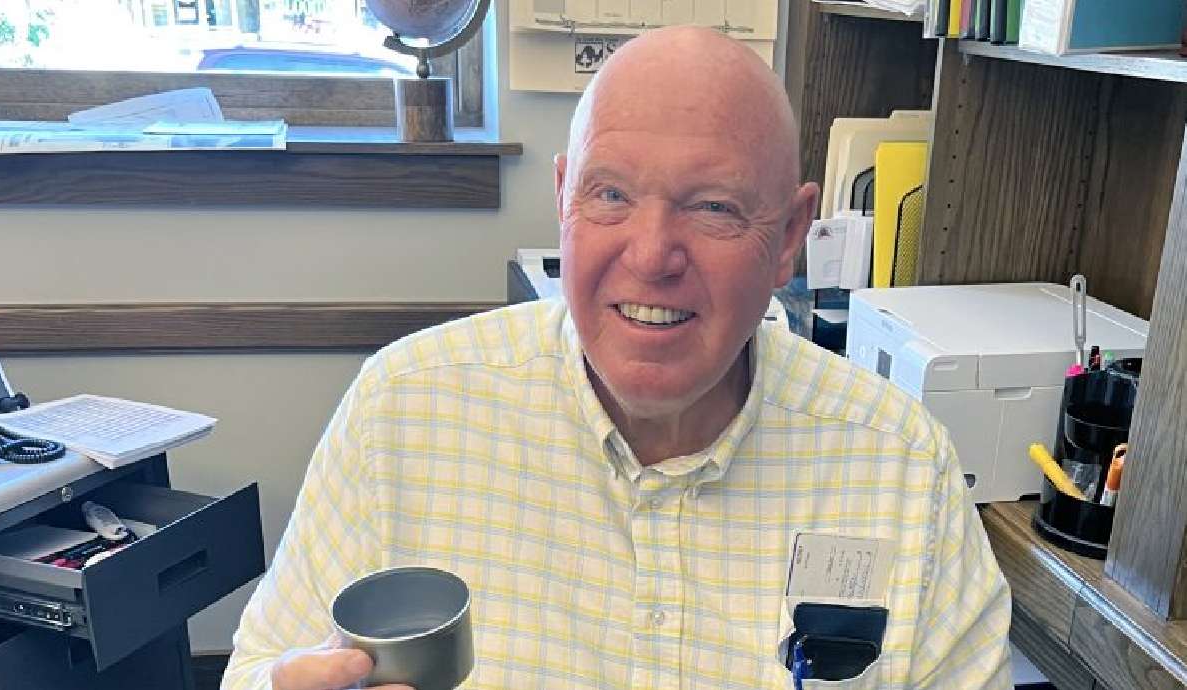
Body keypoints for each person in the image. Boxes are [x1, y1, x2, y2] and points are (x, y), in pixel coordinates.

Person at [222, 25, 1011, 690]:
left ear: (792, 238)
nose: (653, 254)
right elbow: (262, 665)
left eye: (713, 207)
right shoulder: (401, 412)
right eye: (610, 196)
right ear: (563, 199)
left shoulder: (904, 468)